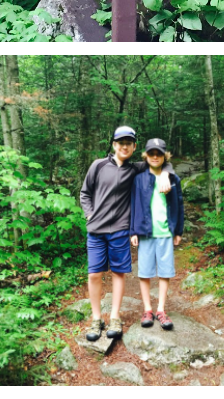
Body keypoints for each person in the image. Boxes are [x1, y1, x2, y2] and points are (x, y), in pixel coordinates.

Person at [80, 126, 175, 342]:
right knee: (94, 274)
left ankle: (114, 317)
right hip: (96, 230)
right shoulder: (98, 165)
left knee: (118, 273)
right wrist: (89, 215)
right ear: (114, 145)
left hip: (120, 230)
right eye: (120, 142)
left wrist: (167, 173)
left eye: (128, 143)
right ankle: (96, 319)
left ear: (133, 147)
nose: (124, 146)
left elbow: (160, 160)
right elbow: (85, 193)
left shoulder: (135, 169)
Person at [130, 138, 184, 331]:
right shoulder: (139, 178)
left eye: (158, 153)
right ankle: (147, 309)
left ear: (164, 156)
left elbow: (179, 204)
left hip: (165, 232)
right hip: (145, 231)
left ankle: (161, 309)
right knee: (144, 271)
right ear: (146, 155)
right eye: (151, 153)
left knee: (165, 271)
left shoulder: (173, 178)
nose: (155, 157)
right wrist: (133, 230)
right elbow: (134, 204)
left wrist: (178, 230)